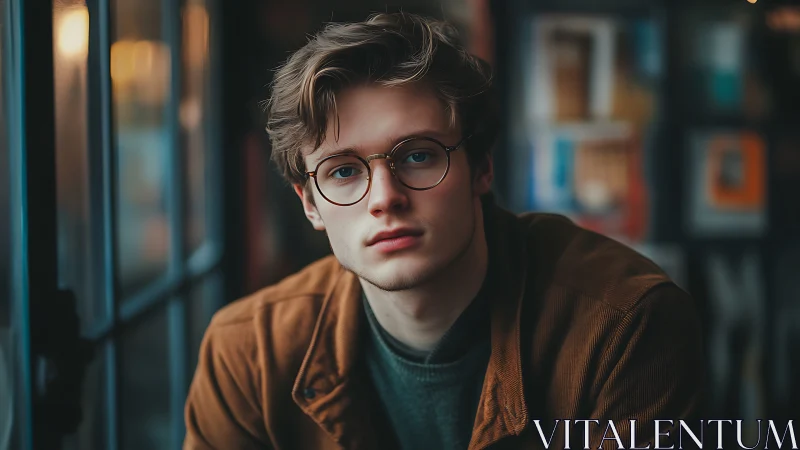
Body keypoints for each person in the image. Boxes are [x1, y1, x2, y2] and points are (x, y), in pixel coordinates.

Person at [184, 12, 705, 450]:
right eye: (342, 171)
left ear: (481, 168)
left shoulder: (624, 325)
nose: (385, 198)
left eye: (417, 156)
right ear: (311, 204)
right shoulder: (246, 354)